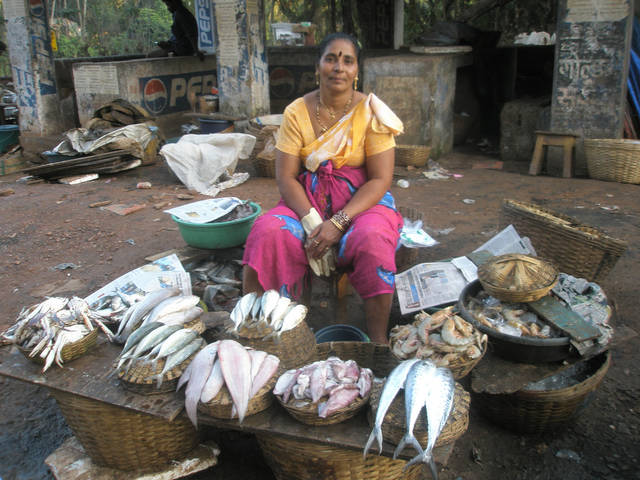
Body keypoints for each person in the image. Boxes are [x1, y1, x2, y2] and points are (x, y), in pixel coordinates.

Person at [242, 33, 404, 344]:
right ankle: (275, 331)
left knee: (373, 239)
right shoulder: (296, 112)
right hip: (306, 202)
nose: (338, 67)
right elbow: (286, 177)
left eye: (347, 60)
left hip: (361, 203)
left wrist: (339, 222)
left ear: (357, 69)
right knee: (268, 232)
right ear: (318, 66)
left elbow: (380, 179)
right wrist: (314, 223)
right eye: (331, 58)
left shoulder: (372, 112)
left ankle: (379, 343)